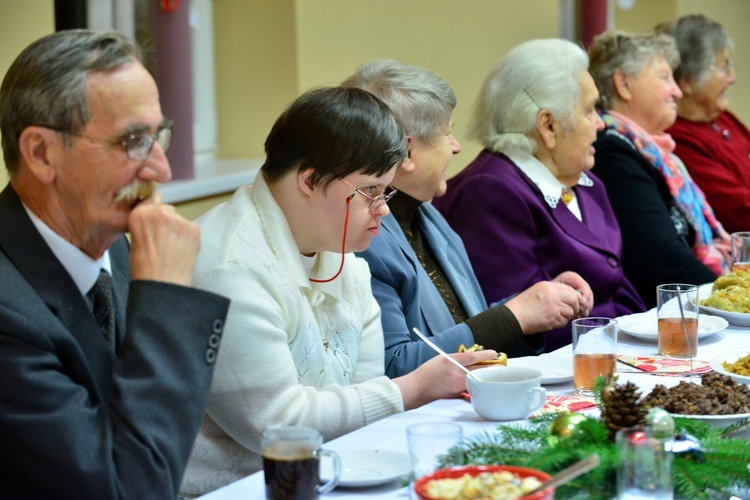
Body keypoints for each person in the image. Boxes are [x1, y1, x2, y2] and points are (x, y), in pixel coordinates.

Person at [179, 86, 499, 496]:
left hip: (328, 473)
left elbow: (360, 395)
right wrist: (415, 387)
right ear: (310, 180)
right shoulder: (230, 267)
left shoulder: (343, 256)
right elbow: (276, 427)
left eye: (387, 192)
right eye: (370, 192)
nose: (382, 209)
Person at [0, 30, 230, 499]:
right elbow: (129, 488)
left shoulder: (118, 246)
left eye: (156, 136)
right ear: (42, 153)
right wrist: (168, 302)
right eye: (132, 141)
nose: (161, 171)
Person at [341, 59, 595, 375]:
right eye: (446, 134)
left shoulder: (428, 216)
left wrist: (534, 306)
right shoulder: (363, 237)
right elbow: (393, 368)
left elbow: (461, 321)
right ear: (408, 152)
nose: (456, 147)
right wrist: (514, 316)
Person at [433, 40, 645, 351]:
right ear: (547, 125)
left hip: (609, 353)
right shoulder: (491, 191)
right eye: (589, 110)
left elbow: (616, 287)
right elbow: (523, 327)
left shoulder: (587, 183)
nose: (600, 123)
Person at [587, 30, 730, 308]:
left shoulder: (659, 156)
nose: (677, 91)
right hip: (655, 319)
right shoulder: (611, 152)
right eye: (665, 78)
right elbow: (663, 259)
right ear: (624, 84)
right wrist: (725, 297)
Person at [656, 14, 750, 234]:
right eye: (724, 67)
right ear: (688, 80)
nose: (733, 78)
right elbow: (740, 211)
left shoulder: (721, 117)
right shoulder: (679, 139)